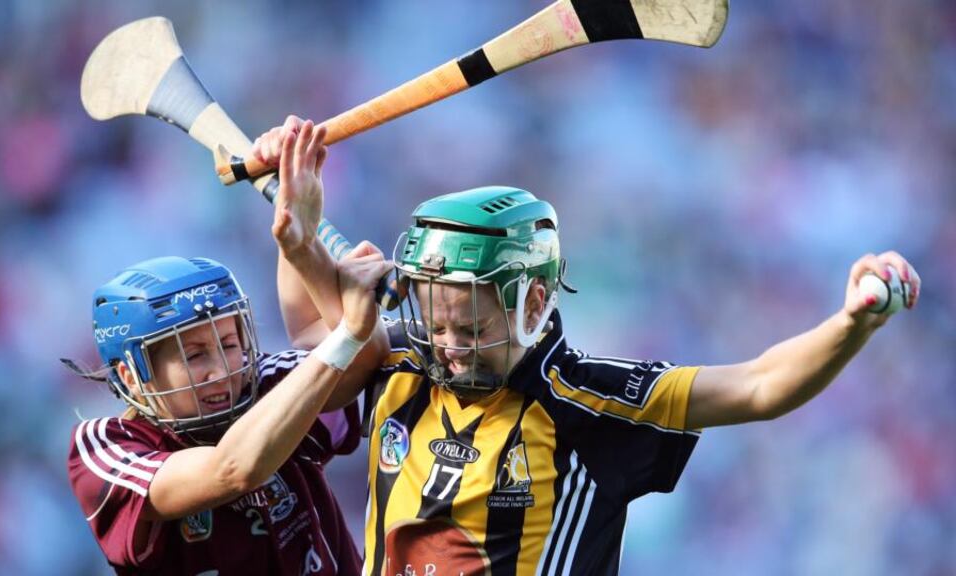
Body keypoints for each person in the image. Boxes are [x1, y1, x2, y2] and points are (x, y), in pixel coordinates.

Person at [253, 119, 922, 575]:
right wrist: (299, 234)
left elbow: (760, 386)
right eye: (438, 322)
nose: (450, 346)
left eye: (472, 327)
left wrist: (851, 323)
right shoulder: (401, 365)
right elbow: (317, 342)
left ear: (534, 302)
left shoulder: (591, 399)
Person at [65, 122, 392, 575]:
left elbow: (357, 362)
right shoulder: (106, 448)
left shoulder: (259, 384)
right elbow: (232, 470)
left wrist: (299, 238)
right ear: (130, 376)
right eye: (194, 355)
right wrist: (348, 335)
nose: (222, 368)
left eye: (231, 343)